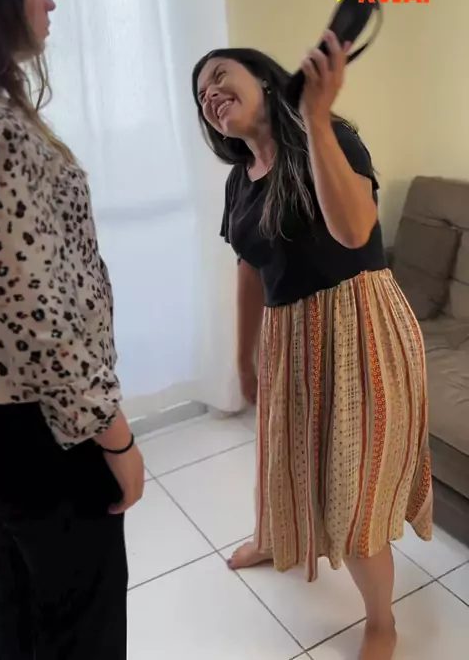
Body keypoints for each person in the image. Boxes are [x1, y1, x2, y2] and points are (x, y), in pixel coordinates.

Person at [192, 37, 433, 660]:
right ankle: (273, 537)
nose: (210, 93)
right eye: (201, 94)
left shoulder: (329, 138)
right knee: (284, 459)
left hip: (360, 329)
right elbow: (249, 268)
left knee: (352, 488)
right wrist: (242, 356)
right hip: (290, 339)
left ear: (265, 80)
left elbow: (355, 230)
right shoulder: (239, 181)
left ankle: (381, 621)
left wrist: (318, 120)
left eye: (219, 75)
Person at [0, 0, 144, 659]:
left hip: (10, 428)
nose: (49, 0)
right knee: (83, 623)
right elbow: (37, 316)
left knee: (24, 606)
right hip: (48, 431)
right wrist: (116, 438)